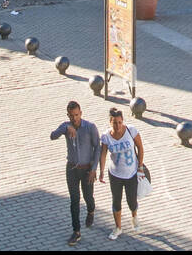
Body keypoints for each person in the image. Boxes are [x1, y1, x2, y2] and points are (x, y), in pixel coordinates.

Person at [50, 101, 101, 246]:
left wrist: (94, 169)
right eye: (71, 116)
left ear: (81, 113)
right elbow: (52, 136)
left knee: (88, 196)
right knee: (74, 200)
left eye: (77, 115)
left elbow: (97, 147)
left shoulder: (90, 127)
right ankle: (76, 231)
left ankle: (91, 210)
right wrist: (66, 127)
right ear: (68, 115)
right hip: (72, 169)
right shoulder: (65, 126)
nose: (74, 118)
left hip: (87, 170)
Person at [99, 107, 145, 240]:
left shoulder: (131, 131)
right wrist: (101, 171)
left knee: (131, 200)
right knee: (116, 201)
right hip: (115, 174)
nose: (118, 125)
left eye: (120, 122)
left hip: (131, 173)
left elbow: (140, 148)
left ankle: (134, 216)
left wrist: (140, 166)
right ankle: (118, 227)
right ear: (110, 122)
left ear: (123, 121)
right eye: (114, 122)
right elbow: (103, 154)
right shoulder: (106, 136)